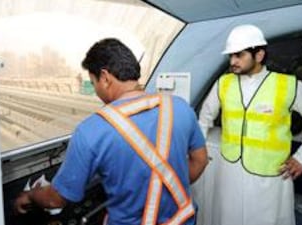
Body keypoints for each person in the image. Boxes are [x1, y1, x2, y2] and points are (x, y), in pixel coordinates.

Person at [14, 38, 208, 225]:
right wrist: (168, 190)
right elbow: (200, 160)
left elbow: (55, 200)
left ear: (105, 78)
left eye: (94, 82)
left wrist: (30, 195)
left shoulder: (91, 130)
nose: (97, 91)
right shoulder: (180, 107)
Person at [197, 24, 302, 225]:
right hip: (230, 171)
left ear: (259, 55)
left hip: (270, 176)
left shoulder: (288, 85)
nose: (232, 61)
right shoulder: (223, 83)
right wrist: (199, 150)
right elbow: (205, 118)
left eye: (239, 55)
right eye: (231, 56)